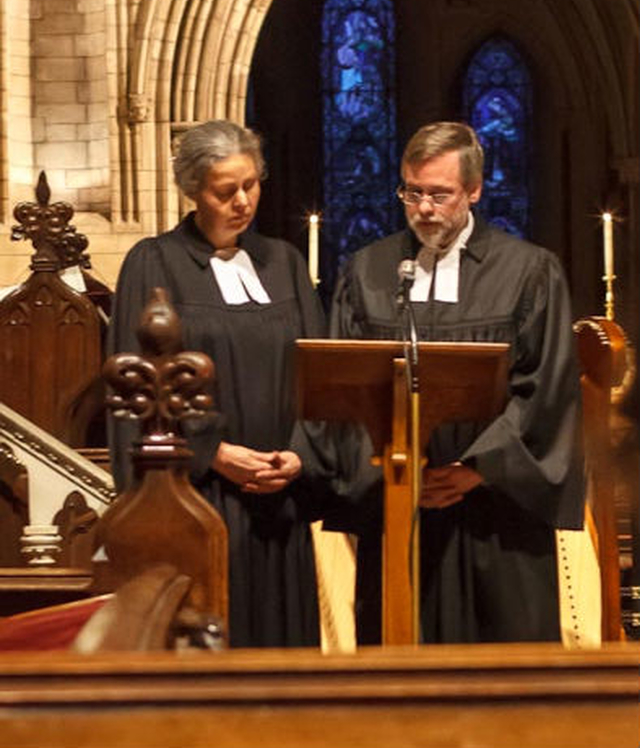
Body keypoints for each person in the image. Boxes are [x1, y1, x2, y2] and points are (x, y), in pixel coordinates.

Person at [328, 121, 584, 644]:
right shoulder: (368, 270)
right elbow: (343, 389)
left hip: (498, 513)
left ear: (473, 190)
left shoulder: (529, 271)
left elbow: (546, 389)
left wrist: (476, 470)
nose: (424, 208)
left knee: (502, 672)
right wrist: (396, 473)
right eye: (412, 192)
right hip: (399, 506)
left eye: (440, 194)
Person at [108, 119, 326, 648]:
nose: (243, 201)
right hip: (199, 495)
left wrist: (301, 454)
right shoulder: (153, 262)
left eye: (251, 184)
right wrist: (216, 452)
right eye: (225, 191)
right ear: (191, 191)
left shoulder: (284, 263)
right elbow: (131, 391)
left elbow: (321, 374)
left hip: (281, 495)